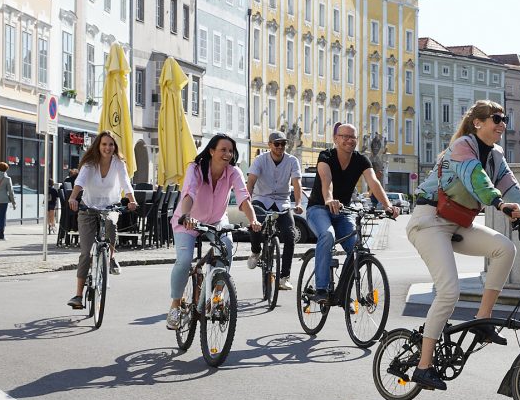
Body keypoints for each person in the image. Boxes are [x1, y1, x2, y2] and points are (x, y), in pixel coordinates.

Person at [405, 100, 520, 391]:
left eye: (504, 120)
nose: (502, 125)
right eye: (496, 119)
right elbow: (478, 180)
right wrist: (499, 203)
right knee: (449, 290)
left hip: (458, 222)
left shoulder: (496, 154)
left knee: (505, 249)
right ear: (478, 123)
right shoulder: (463, 146)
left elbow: (512, 185)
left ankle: (483, 318)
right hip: (430, 221)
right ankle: (423, 367)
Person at [167, 134, 261, 330]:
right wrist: (186, 216)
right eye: (223, 150)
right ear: (211, 151)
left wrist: (253, 220)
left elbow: (244, 197)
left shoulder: (233, 172)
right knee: (184, 261)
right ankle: (175, 305)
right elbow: (189, 193)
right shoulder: (195, 168)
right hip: (188, 222)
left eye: (230, 151)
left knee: (226, 247)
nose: (227, 154)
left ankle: (217, 296)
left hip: (217, 221)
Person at [306, 124, 399, 305]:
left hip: (343, 211)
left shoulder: (361, 160)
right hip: (319, 208)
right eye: (344, 136)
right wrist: (329, 199)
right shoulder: (326, 156)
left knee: (358, 249)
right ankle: (321, 289)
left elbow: (373, 182)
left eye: (353, 137)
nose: (349, 140)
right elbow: (326, 179)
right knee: (327, 235)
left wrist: (388, 206)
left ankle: (343, 290)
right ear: (336, 139)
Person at [66, 132, 137, 310]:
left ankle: (111, 258)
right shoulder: (90, 164)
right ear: (98, 146)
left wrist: (131, 199)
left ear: (115, 147)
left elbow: (125, 183)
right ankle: (78, 295)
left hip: (110, 206)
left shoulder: (118, 163)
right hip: (88, 207)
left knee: (111, 225)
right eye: (104, 144)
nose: (108, 148)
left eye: (111, 145)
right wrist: (73, 198)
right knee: (86, 252)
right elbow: (80, 182)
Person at [245, 130, 304, 290]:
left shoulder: (292, 161)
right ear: (269, 145)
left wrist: (298, 203)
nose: (280, 147)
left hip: (282, 202)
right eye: (276, 144)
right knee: (255, 224)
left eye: (283, 144)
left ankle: (284, 277)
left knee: (290, 235)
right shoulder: (260, 160)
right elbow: (250, 183)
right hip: (262, 199)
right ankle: (256, 251)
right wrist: (247, 202)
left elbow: (296, 184)